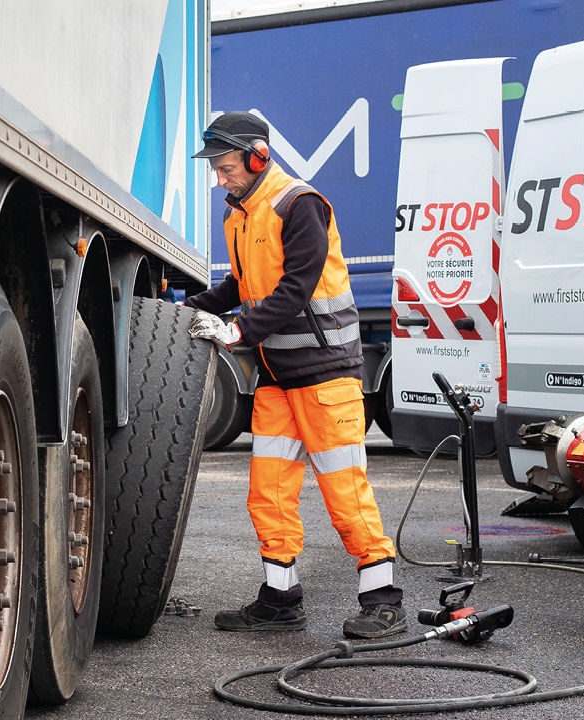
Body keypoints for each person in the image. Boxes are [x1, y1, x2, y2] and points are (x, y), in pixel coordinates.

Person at [184, 111, 405, 639]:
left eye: (225, 164)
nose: (219, 176)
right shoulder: (239, 213)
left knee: (344, 491)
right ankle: (280, 599)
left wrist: (238, 331)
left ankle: (383, 599)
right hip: (278, 379)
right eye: (215, 166)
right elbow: (240, 285)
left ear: (258, 155)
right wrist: (181, 310)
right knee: (269, 492)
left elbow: (297, 287)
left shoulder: (298, 204)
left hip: (327, 377)